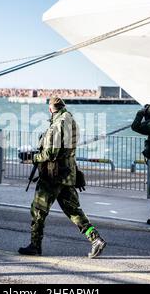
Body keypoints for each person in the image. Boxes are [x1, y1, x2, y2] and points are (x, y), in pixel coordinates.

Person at [18, 96, 107, 258]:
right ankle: (96, 239)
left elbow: (52, 153)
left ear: (51, 109)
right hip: (67, 174)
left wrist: (32, 157)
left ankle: (35, 245)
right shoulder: (71, 121)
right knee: (74, 211)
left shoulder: (58, 124)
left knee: (38, 210)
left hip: (53, 176)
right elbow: (69, 151)